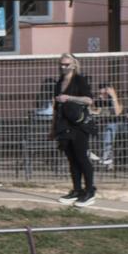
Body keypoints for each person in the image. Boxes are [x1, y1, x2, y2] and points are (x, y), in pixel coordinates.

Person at [50, 54, 97, 206]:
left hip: (79, 124)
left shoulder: (79, 80)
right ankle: (77, 190)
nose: (63, 67)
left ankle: (89, 190)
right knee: (71, 159)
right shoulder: (59, 83)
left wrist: (69, 97)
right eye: (61, 65)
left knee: (81, 157)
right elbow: (56, 108)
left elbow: (89, 100)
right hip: (64, 124)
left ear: (74, 65)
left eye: (66, 64)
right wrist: (53, 128)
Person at [93, 83, 128, 168]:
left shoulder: (118, 99)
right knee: (108, 129)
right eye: (100, 93)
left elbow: (117, 113)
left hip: (122, 126)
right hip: (106, 127)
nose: (102, 95)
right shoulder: (100, 100)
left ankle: (106, 158)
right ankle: (107, 159)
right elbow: (97, 112)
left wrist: (114, 97)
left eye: (105, 93)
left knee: (110, 126)